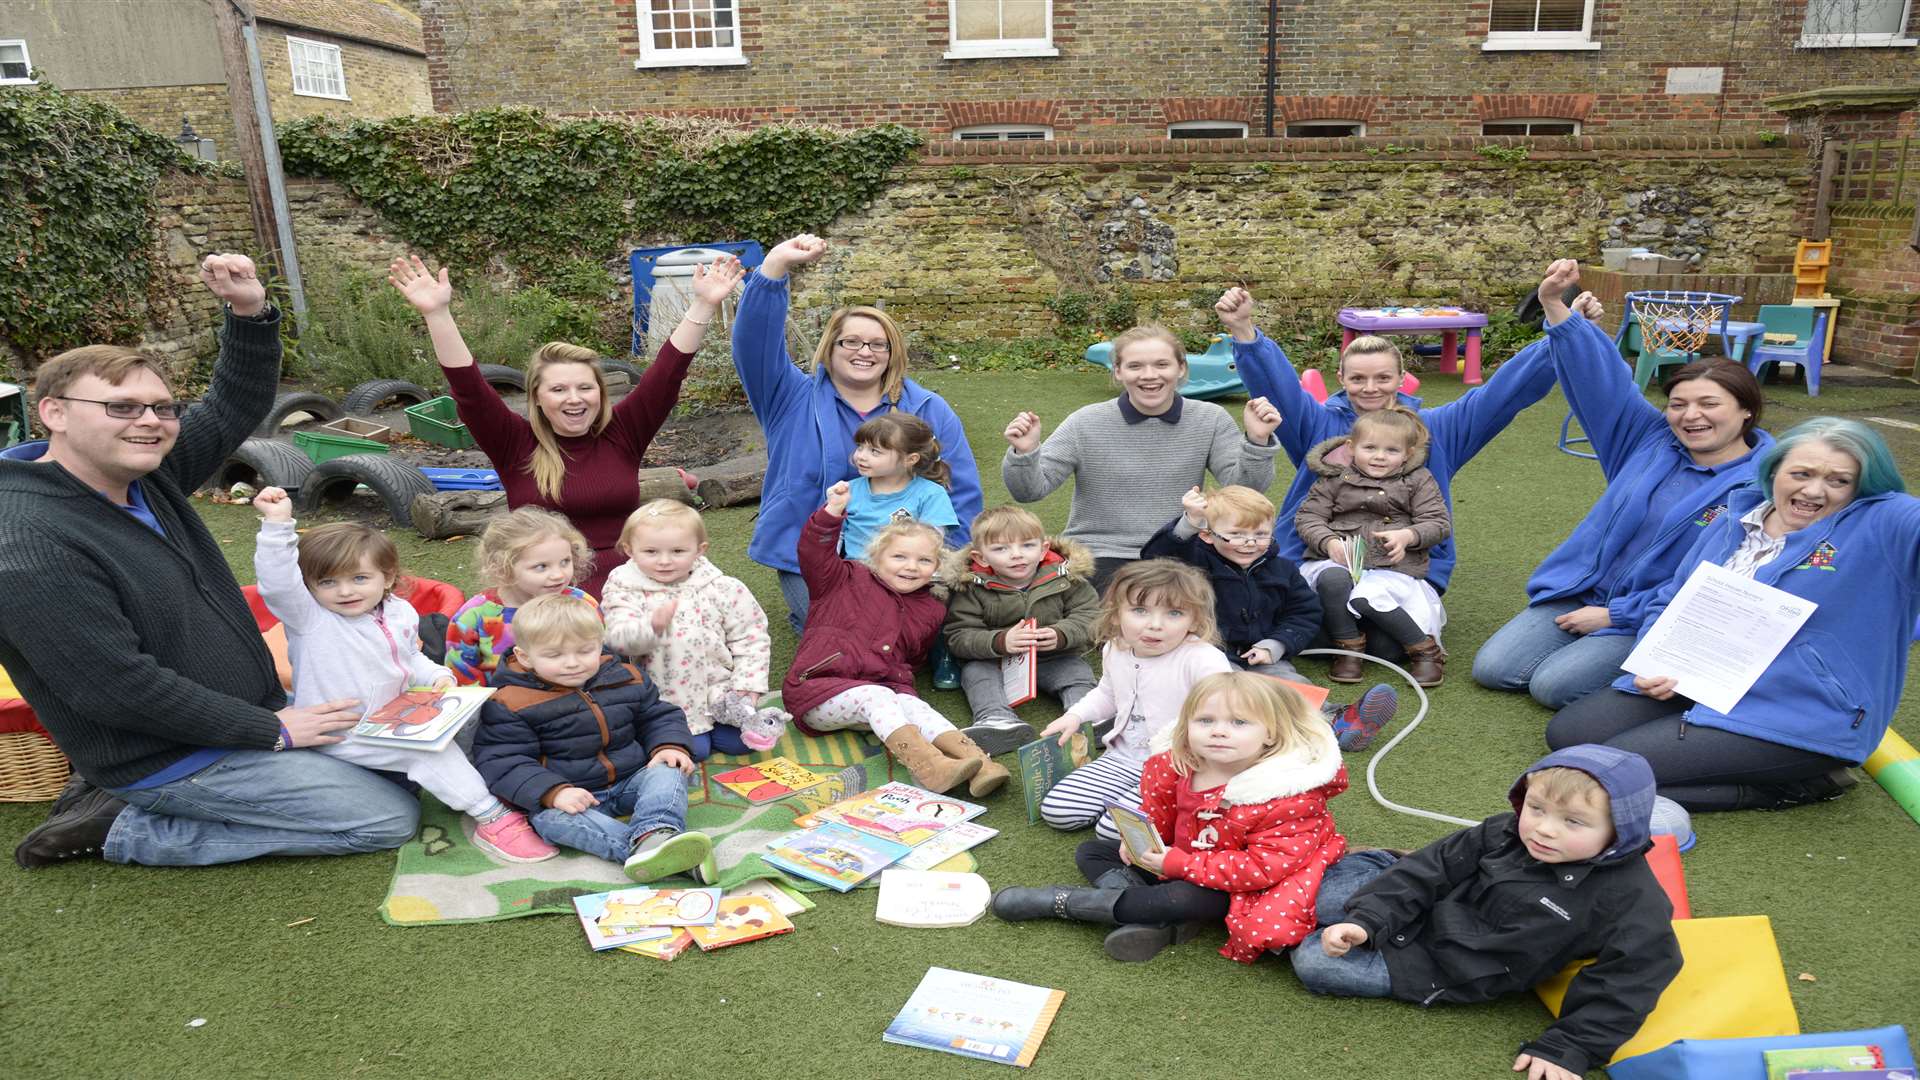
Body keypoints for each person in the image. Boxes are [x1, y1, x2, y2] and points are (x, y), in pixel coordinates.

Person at [3, 254, 420, 869]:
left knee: (414, 769)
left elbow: (230, 407)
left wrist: (250, 312)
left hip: (242, 715)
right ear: (55, 413)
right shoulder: (27, 546)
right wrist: (274, 733)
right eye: (121, 407)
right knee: (386, 815)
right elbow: (118, 690)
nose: (150, 421)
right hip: (168, 755)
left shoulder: (144, 473)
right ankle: (125, 826)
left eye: (161, 407)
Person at [1549, 418, 1920, 811]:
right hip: (1702, 682)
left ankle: (1794, 785)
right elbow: (1674, 597)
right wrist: (1656, 661)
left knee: (1604, 776)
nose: (1813, 490)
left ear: (1861, 487)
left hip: (1798, 712)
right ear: (1774, 469)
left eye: (1838, 481)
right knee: (1570, 734)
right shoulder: (1738, 515)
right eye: (1801, 473)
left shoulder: (1882, 524)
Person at [1216, 267, 1597, 631]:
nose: (1370, 388)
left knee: (1388, 640)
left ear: (1401, 378)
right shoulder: (1318, 425)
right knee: (1302, 622)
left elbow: (1503, 394)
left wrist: (1566, 331)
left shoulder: (1435, 429)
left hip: (1407, 566)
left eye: (1383, 377)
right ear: (1342, 379)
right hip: (1319, 558)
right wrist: (1244, 330)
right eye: (1359, 379)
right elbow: (1278, 385)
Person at [1475, 262, 1773, 708]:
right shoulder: (1650, 440)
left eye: (1709, 404)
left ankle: (1662, 666)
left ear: (1746, 409)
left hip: (1656, 615)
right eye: (1678, 404)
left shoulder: (1765, 484)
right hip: (1581, 593)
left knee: (1552, 687)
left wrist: (1616, 616)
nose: (1691, 416)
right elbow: (1604, 384)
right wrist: (1554, 305)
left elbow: (1728, 581)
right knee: (1494, 670)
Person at [1293, 746, 1683, 1080]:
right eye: (1536, 808)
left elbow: (1632, 978)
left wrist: (1571, 1046)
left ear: (1620, 830)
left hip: (1444, 966)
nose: (1544, 830)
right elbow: (1434, 866)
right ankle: (1365, 883)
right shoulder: (1506, 830)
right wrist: (1366, 922)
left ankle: (1299, 922)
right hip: (1429, 905)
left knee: (1315, 962)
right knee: (1327, 898)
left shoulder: (1632, 901)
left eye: (1573, 822)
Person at [389, 253, 744, 598]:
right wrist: (437, 314)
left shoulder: (623, 433)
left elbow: (666, 375)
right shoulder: (514, 443)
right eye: (559, 389)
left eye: (585, 387)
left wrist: (703, 304)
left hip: (631, 589)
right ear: (538, 398)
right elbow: (469, 390)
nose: (574, 399)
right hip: (548, 594)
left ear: (600, 394)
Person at [248, 488, 554, 862]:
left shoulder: (399, 612)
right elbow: (278, 583)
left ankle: (486, 783)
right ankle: (491, 817)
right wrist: (277, 524)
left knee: (475, 714)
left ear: (387, 576)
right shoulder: (312, 619)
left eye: (359, 578)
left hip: (396, 716)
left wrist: (437, 676)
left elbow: (409, 657)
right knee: (426, 755)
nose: (345, 591)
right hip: (340, 730)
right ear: (311, 587)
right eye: (327, 582)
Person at [992, 672, 1349, 964]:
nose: (1219, 730)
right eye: (1205, 720)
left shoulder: (1286, 793)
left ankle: (1062, 903)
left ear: (1270, 735)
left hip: (1242, 885)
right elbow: (1157, 813)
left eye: (1239, 722)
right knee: (1092, 851)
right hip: (1182, 859)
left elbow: (1260, 869)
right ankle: (1161, 924)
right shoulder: (1175, 765)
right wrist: (1140, 845)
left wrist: (1178, 864)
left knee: (1183, 897)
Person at [731, 233, 983, 633]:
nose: (864, 352)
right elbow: (754, 345)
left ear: (892, 354)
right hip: (817, 558)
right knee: (843, 631)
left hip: (910, 559)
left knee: (931, 632)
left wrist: (948, 561)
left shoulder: (927, 409)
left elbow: (962, 491)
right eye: (851, 341)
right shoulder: (787, 397)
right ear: (830, 347)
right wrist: (774, 267)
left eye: (878, 345)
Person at [1002, 323, 1283, 594]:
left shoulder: (1209, 419)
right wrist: (1025, 453)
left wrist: (1257, 441)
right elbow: (1028, 491)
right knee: (1129, 611)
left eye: (1162, 364)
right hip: (1100, 553)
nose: (1149, 375)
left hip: (1182, 548)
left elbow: (1246, 491)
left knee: (1244, 601)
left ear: (1181, 368)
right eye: (1135, 366)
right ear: (1118, 371)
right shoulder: (1085, 422)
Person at [782, 482, 1007, 797]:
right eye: (899, 556)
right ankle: (931, 768)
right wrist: (832, 512)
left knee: (913, 705)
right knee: (879, 697)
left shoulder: (930, 607)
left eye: (924, 561)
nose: (911, 567)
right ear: (876, 556)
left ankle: (979, 763)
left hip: (875, 698)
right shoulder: (842, 578)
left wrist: (905, 693)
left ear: (936, 568)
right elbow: (813, 551)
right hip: (817, 691)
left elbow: (908, 661)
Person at [472, 593, 715, 883]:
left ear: (600, 644)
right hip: (569, 795)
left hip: (630, 779)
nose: (572, 663)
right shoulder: (509, 701)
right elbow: (503, 761)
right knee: (550, 822)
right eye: (554, 655)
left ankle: (654, 831)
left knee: (669, 770)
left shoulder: (626, 676)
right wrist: (553, 792)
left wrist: (669, 746)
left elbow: (656, 714)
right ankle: (654, 852)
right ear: (525, 657)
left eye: (585, 651)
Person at [1145, 485, 1400, 750]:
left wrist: (1276, 644)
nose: (1250, 542)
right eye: (1237, 534)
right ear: (1208, 535)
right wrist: (1189, 522)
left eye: (1260, 534)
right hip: (1207, 655)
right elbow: (1158, 560)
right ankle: (1285, 731)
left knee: (1292, 685)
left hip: (1262, 652)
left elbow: (1305, 612)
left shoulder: (1282, 569)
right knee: (1230, 693)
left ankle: (1337, 719)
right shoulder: (1195, 562)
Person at [1035, 559, 1233, 838]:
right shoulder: (1116, 649)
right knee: (1058, 810)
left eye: (1174, 613)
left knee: (1114, 831)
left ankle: (1180, 806)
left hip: (1179, 767)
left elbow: (1221, 719)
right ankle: (1126, 798)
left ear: (1195, 621)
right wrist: (1074, 716)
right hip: (1123, 757)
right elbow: (1107, 693)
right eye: (1140, 610)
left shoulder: (1203, 659)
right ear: (1116, 614)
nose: (1155, 625)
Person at [601, 499, 784, 761]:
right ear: (630, 550)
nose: (664, 561)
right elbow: (618, 640)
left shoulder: (721, 586)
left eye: (677, 551)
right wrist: (650, 628)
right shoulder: (624, 588)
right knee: (695, 750)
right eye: (651, 552)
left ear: (700, 550)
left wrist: (747, 685)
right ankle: (669, 734)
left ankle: (721, 721)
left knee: (741, 744)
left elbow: (751, 635)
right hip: (667, 698)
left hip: (719, 691)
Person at [1295, 406, 1452, 686]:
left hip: (1390, 567)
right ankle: (1348, 650)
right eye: (1370, 448)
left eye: (1392, 451)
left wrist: (1408, 536)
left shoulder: (1417, 480)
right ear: (1352, 448)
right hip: (1341, 557)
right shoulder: (1335, 478)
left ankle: (1425, 651)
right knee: (1331, 578)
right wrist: (1328, 541)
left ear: (1408, 453)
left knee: (1366, 599)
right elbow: (1309, 517)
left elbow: (1438, 522)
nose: (1380, 456)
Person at [935, 505, 1101, 754]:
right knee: (976, 674)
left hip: (1053, 656)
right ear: (981, 557)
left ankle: (1087, 718)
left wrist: (1060, 634)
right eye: (1001, 548)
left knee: (1076, 671)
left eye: (1027, 545)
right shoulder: (970, 587)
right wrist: (1000, 641)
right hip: (995, 660)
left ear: (1044, 548)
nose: (1017, 555)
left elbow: (1090, 616)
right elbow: (959, 636)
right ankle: (997, 720)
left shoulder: (1066, 577)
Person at [446, 507, 597, 687]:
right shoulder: (473, 617)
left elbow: (602, 655)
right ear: (502, 568)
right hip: (504, 708)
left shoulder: (582, 603)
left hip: (580, 702)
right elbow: (462, 675)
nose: (558, 575)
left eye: (565, 561)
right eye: (541, 566)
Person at [839, 412, 958, 558]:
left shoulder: (931, 494)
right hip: (855, 576)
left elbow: (931, 544)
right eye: (860, 447)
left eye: (874, 451)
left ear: (910, 459)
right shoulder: (847, 491)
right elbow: (832, 540)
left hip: (907, 575)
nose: (861, 456)